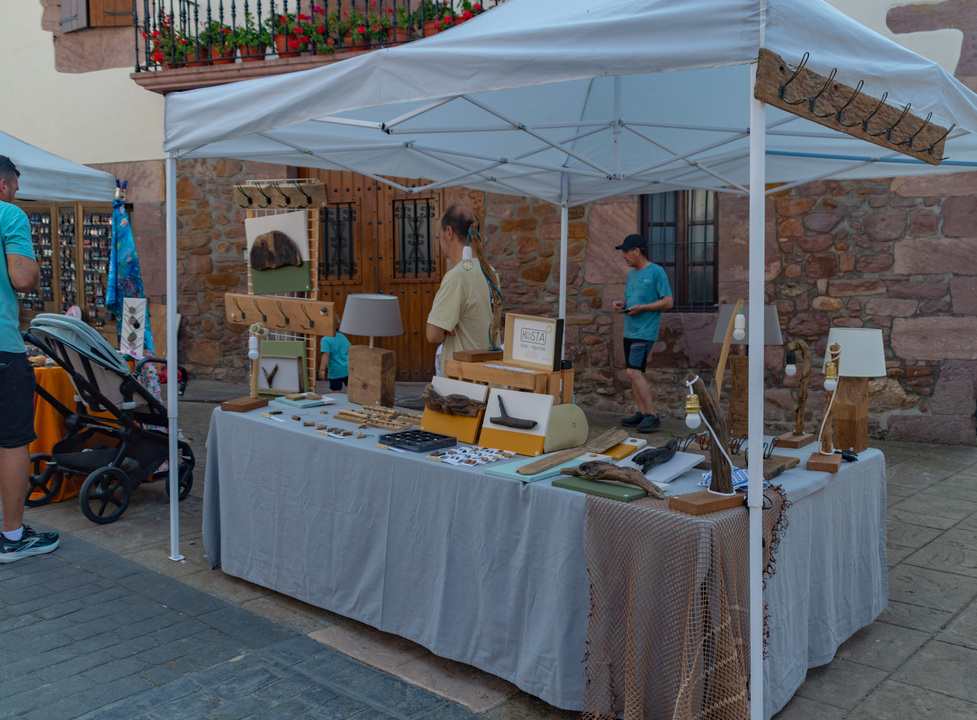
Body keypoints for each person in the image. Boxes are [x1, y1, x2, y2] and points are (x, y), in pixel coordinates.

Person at [0, 155, 59, 562]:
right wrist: (34, 273)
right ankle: (12, 535)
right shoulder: (8, 214)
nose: (16, 195)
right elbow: (22, 278)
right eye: (15, 188)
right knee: (12, 441)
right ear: (3, 185)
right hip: (2, 349)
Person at [611, 233, 673, 433]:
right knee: (633, 372)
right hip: (630, 329)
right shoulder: (631, 275)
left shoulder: (657, 272)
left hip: (645, 331)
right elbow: (631, 300)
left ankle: (652, 416)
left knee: (633, 372)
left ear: (636, 251)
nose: (623, 256)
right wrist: (623, 305)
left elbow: (668, 301)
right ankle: (641, 413)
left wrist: (643, 308)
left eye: (626, 252)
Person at [426, 205, 497, 376]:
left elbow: (433, 334)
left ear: (449, 232)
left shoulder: (457, 276)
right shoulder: (491, 271)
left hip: (463, 379)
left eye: (439, 235)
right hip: (487, 373)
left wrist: (445, 328)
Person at [318, 326, 350, 392]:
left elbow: (326, 354)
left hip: (335, 371)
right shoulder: (342, 336)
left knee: (336, 391)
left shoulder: (325, 339)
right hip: (348, 368)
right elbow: (349, 349)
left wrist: (322, 370)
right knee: (352, 389)